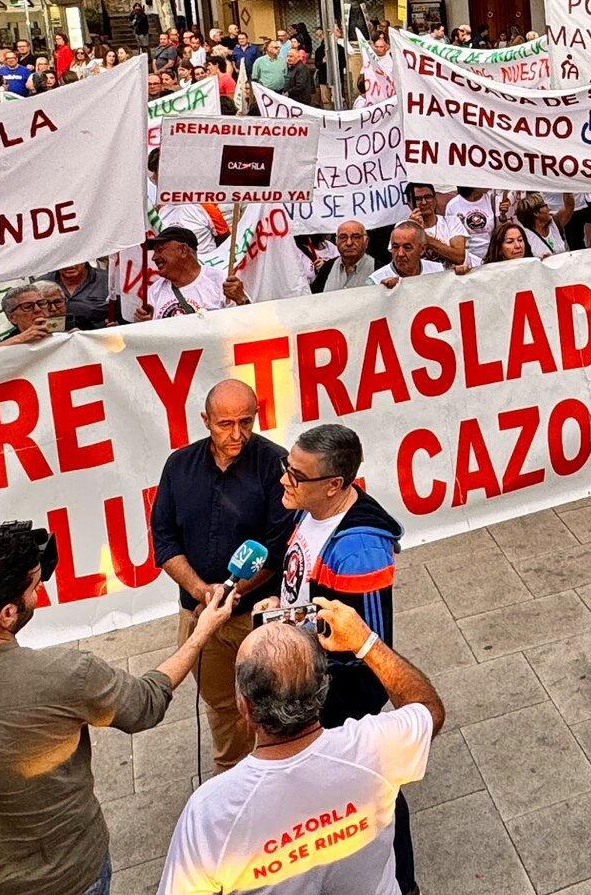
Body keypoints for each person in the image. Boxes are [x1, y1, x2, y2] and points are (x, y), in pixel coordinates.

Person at [0, 532, 239, 895]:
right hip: (69, 877)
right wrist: (201, 632)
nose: (39, 594)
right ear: (7, 613)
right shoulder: (69, 674)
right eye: (34, 589)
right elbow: (146, 704)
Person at [156, 598, 442, 895]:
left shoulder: (210, 811)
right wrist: (365, 641)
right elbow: (428, 709)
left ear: (244, 706)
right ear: (322, 688)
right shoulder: (375, 748)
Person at [267, 424, 417, 893]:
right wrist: (284, 611)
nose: (283, 481)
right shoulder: (311, 509)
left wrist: (292, 640)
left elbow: (359, 645)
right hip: (310, 674)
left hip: (339, 693)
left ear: (334, 484)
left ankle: (401, 881)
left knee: (373, 783)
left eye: (296, 475)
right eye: (286, 469)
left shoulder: (358, 549)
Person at [151, 378, 288, 775]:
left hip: (256, 614)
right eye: (225, 423)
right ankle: (231, 777)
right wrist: (200, 590)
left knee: (274, 702)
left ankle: (277, 774)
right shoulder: (179, 465)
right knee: (220, 705)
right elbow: (163, 538)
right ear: (205, 420)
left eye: (246, 421)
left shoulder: (275, 464)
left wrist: (231, 593)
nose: (237, 434)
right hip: (199, 613)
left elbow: (276, 549)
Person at [144, 226, 248, 318]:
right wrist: (144, 323)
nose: (154, 257)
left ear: (183, 250)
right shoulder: (154, 292)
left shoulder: (221, 282)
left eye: (160, 250)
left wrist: (241, 300)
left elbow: (244, 325)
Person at [373, 219, 448, 290]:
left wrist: (458, 275)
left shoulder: (439, 271)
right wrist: (380, 292)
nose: (400, 254)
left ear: (422, 249)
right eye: (395, 247)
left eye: (407, 248)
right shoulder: (375, 281)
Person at [313, 220, 377, 291]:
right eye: (343, 237)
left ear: (366, 242)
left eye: (355, 237)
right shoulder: (327, 268)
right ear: (336, 242)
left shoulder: (378, 270)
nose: (349, 243)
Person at [54, 261, 111, 330]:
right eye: (65, 259)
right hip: (54, 337)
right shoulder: (43, 282)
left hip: (97, 336)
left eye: (75, 258)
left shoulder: (108, 280)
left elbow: (124, 317)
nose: (70, 265)